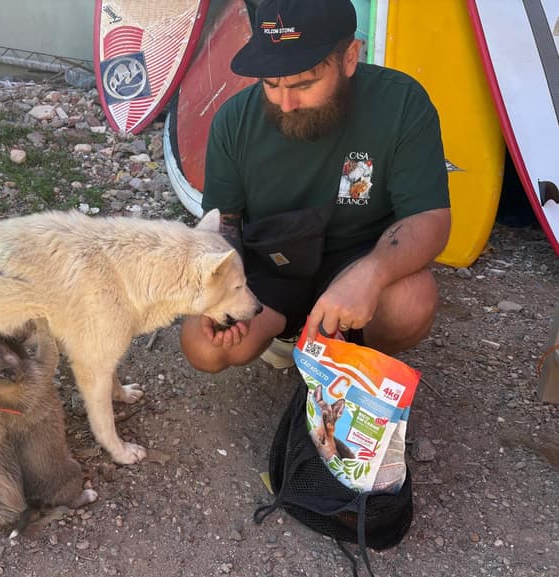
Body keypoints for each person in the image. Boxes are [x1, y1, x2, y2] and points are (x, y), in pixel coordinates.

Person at [181, 0, 451, 372]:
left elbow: (430, 217)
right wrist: (219, 295)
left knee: (411, 303)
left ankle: (351, 356)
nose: (286, 103)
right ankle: (288, 335)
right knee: (203, 348)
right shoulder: (233, 121)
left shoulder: (402, 103)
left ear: (350, 57)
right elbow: (224, 223)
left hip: (361, 254)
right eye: (271, 84)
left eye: (304, 84)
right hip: (271, 265)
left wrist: (371, 275)